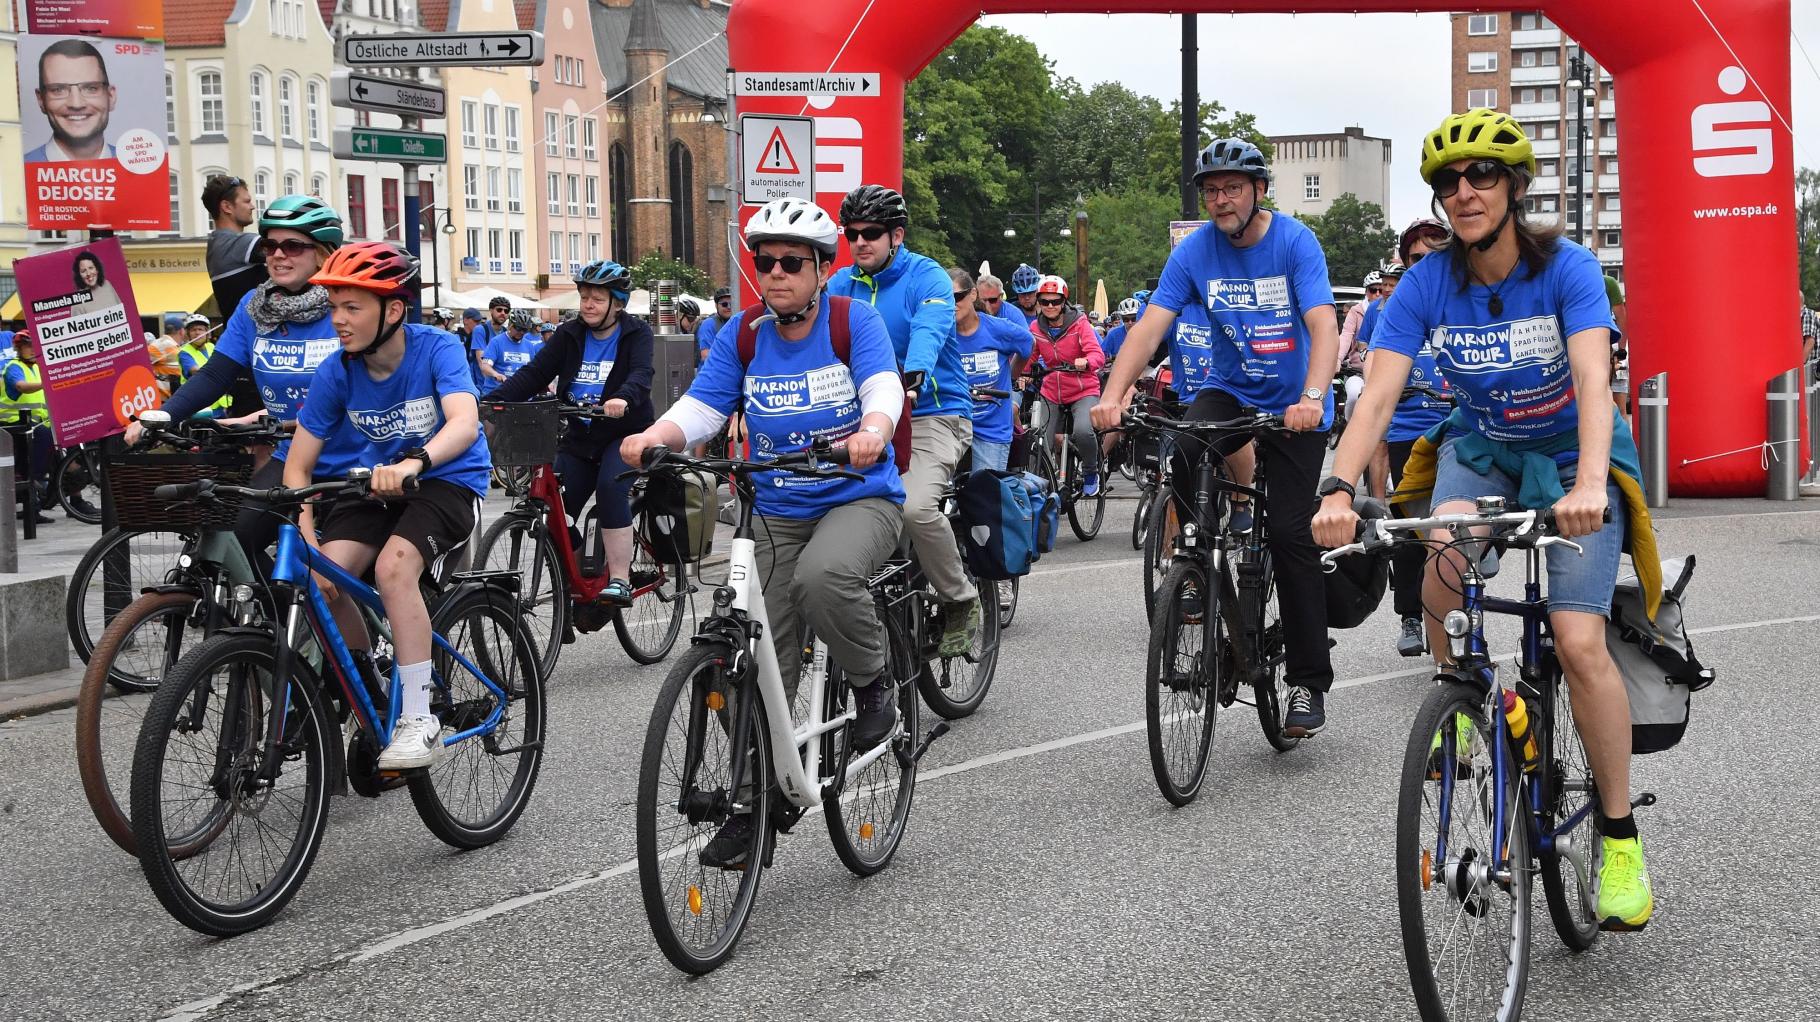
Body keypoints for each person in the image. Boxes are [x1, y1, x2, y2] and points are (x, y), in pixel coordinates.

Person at [1314, 109, 1655, 931]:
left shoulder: (1568, 270)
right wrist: (1333, 486)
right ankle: (1459, 697)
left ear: (1513, 189)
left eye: (1482, 177)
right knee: (1440, 553)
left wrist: (1584, 487)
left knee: (1577, 642)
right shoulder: (1428, 283)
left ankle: (1618, 838)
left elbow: (1594, 385)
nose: (1463, 193)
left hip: (1574, 456)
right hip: (1482, 448)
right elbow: (1381, 396)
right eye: (1448, 183)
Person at [622, 198, 906, 865]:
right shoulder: (745, 333)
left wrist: (874, 432)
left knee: (825, 578)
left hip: (858, 498)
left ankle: (873, 686)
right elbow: (703, 404)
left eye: (791, 263)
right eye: (765, 262)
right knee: (747, 659)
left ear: (820, 269)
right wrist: (654, 436)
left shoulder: (850, 321)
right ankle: (752, 806)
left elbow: (883, 387)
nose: (775, 274)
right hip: (774, 507)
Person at [1093, 136, 1341, 737]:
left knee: (1288, 533)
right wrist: (1112, 394)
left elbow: (1322, 322)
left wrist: (1311, 398)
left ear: (1259, 190)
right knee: (1178, 445)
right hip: (1230, 393)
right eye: (1210, 190)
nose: (1220, 199)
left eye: (1231, 188)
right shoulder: (1196, 251)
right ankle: (1198, 566)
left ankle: (1308, 681)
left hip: (1295, 406)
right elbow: (1151, 327)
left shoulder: (1294, 242)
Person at [286, 241, 488, 770]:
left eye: (352, 308)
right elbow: (298, 468)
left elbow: (464, 423)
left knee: (393, 567)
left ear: (393, 310)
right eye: (334, 308)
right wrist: (308, 538)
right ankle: (372, 688)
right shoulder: (336, 372)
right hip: (374, 489)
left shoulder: (438, 347)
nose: (338, 320)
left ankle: (419, 716)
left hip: (445, 480)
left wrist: (417, 460)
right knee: (324, 580)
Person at [128, 195, 361, 575]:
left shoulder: (346, 305)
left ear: (322, 253)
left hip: (353, 458)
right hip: (291, 457)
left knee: (339, 572)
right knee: (233, 544)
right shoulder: (254, 307)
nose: (278, 255)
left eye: (293, 246)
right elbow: (216, 375)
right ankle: (273, 626)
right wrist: (162, 415)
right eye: (270, 245)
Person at [828, 184, 980, 657]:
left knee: (913, 508)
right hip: (867, 418)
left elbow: (930, 332)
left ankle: (960, 599)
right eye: (851, 234)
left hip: (935, 411)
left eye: (871, 233)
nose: (859, 243)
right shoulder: (839, 284)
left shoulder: (926, 277)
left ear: (896, 235)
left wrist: (910, 378)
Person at [492, 260, 654, 600]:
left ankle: (620, 578)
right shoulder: (569, 333)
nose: (588, 305)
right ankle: (581, 573)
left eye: (597, 298)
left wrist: (622, 398)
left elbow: (641, 375)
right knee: (550, 506)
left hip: (622, 434)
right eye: (583, 297)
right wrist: (492, 402)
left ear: (618, 302)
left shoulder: (636, 333)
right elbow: (534, 374)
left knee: (611, 487)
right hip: (580, 435)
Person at [1366, 223, 1454, 658]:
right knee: (1413, 531)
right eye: (1415, 258)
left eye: (1436, 253)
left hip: (1456, 431)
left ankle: (1460, 615)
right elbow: (1374, 364)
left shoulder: (1461, 299)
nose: (1426, 264)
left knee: (1457, 531)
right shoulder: (1393, 308)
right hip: (1408, 433)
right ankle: (1410, 617)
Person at [1026, 275, 1106, 495]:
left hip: (1083, 389)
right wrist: (1021, 373)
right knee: (1039, 438)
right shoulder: (1036, 327)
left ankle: (1091, 471)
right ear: (1039, 303)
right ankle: (1038, 484)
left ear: (1064, 302)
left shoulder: (1080, 324)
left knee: (1082, 431)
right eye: (1044, 302)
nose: (1050, 306)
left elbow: (1098, 355)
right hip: (1051, 390)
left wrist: (1086, 361)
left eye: (1055, 301)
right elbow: (1029, 357)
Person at [950, 268, 1031, 473]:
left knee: (985, 497)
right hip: (953, 425)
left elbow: (1028, 343)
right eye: (944, 298)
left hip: (992, 427)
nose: (951, 303)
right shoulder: (940, 333)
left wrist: (1013, 375)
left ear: (972, 294)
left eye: (957, 296)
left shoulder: (999, 328)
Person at [26, 39, 116, 163]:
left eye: (91, 88)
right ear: (41, 100)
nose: (76, 104)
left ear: (110, 96)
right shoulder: (17, 170)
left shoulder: (143, 170)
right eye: (58, 89)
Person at [0, 330, 57, 523]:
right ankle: (34, 484)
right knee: (36, 452)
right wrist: (45, 384)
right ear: (18, 348)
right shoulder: (13, 367)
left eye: (35, 346)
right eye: (28, 346)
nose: (32, 350)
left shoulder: (39, 368)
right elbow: (21, 386)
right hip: (15, 423)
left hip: (38, 422)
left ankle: (38, 498)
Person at [478, 309, 543, 395]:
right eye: (518, 328)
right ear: (510, 325)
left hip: (520, 391)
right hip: (496, 391)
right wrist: (496, 374)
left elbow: (533, 370)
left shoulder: (529, 346)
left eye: (525, 330)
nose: (521, 332)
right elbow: (485, 366)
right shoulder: (496, 342)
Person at [697, 287, 735, 362]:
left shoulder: (737, 322)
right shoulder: (708, 324)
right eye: (724, 304)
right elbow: (705, 355)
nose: (729, 307)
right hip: (712, 372)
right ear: (716, 305)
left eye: (732, 304)